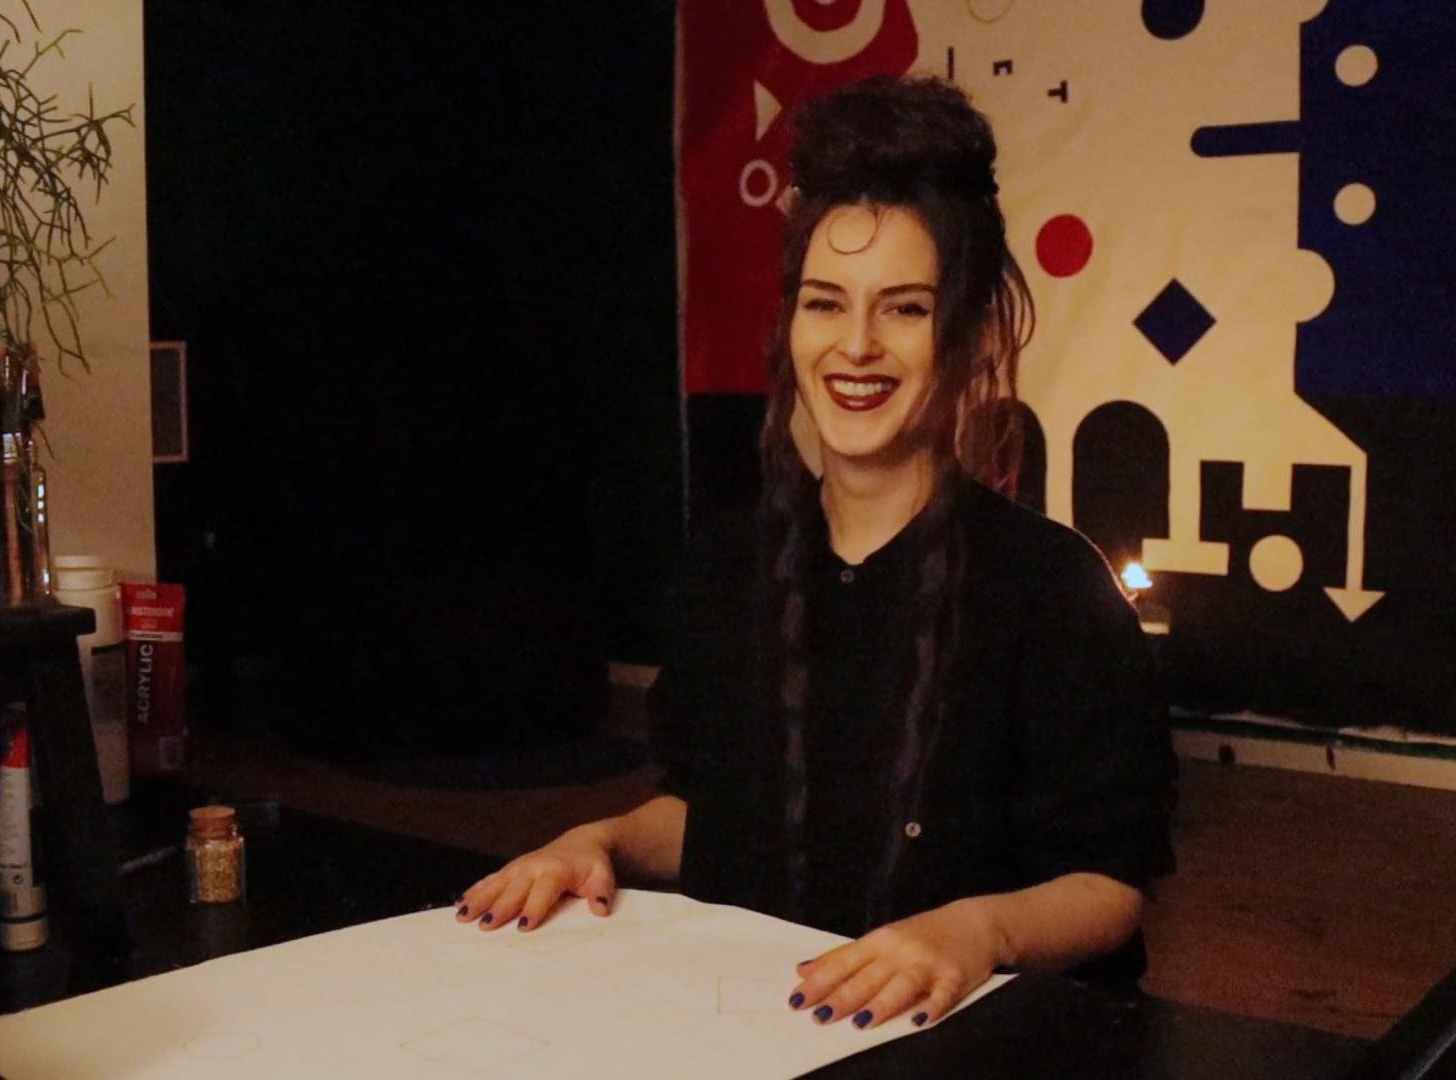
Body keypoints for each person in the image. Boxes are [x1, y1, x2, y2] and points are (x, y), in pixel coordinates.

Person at [455, 75, 1177, 1033]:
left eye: (906, 309)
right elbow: (711, 817)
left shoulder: (1051, 590)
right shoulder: (724, 567)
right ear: (791, 323)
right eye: (827, 304)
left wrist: (974, 933)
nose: (858, 346)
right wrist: (603, 839)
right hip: (757, 1032)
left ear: (965, 335)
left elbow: (1108, 884)